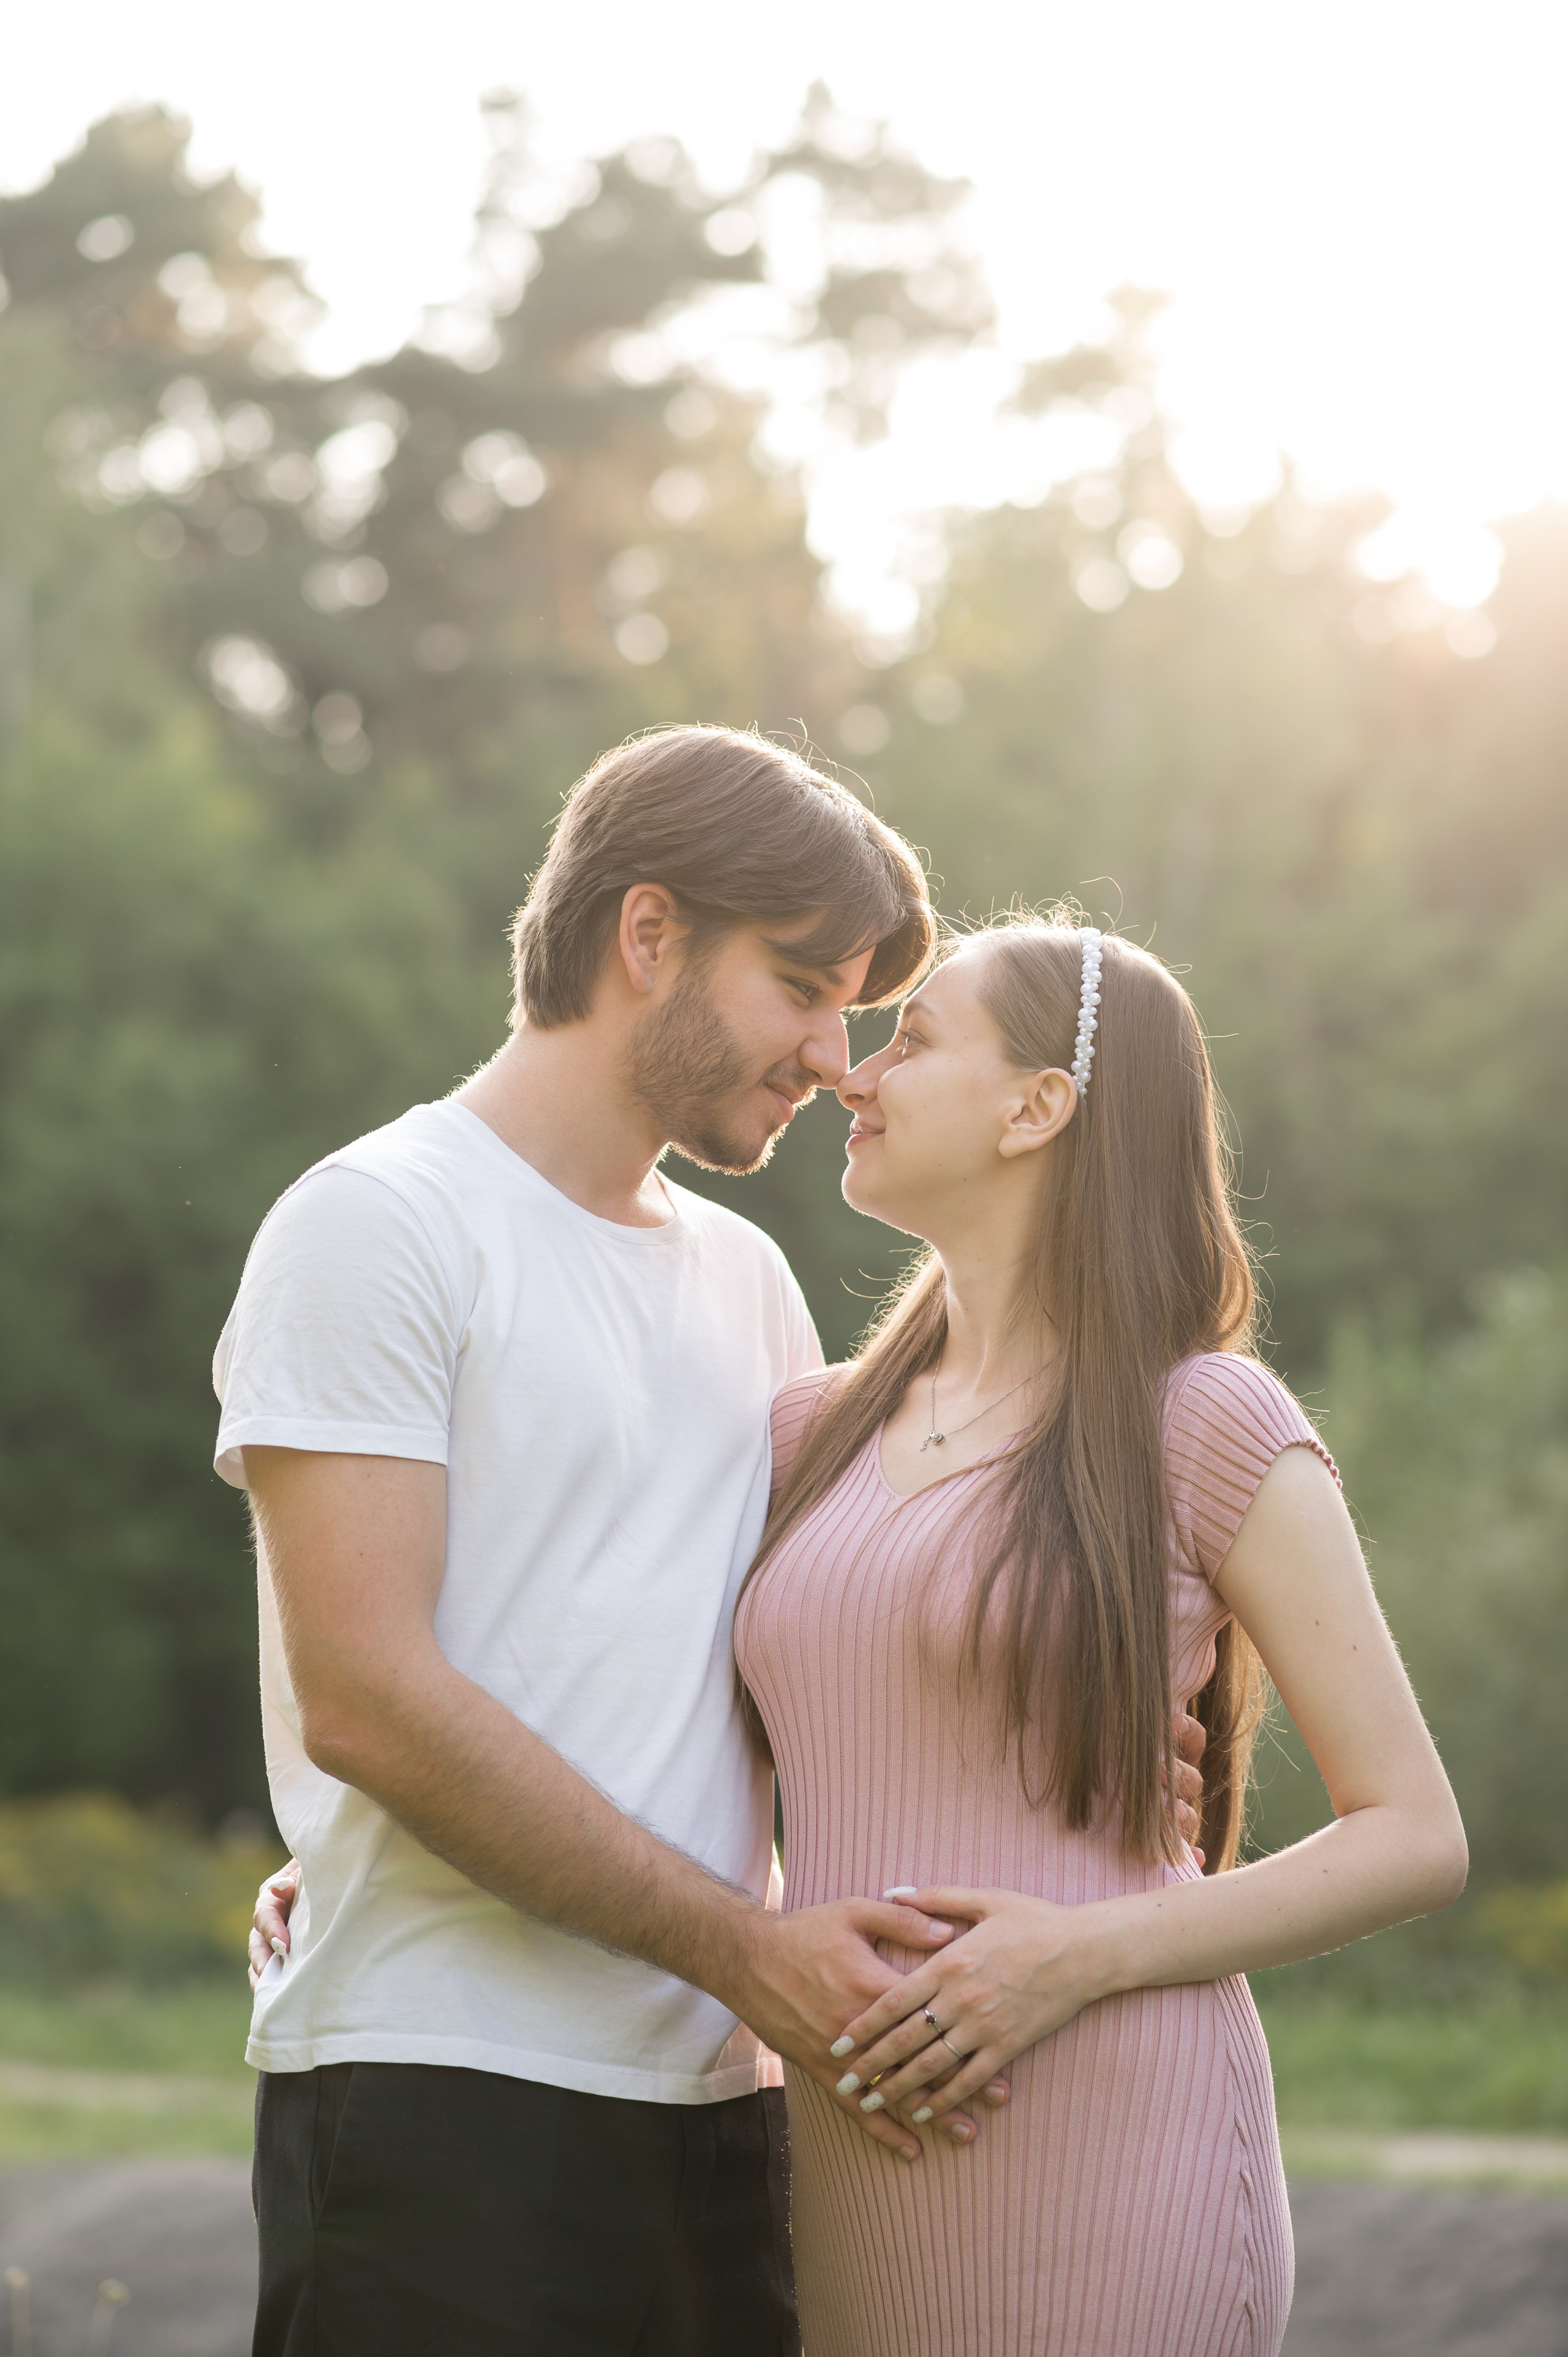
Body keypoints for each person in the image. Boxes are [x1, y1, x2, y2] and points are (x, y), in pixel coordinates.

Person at [224, 726, 1209, 2355]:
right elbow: (370, 1700)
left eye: (857, 1010)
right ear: (651, 933)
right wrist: (741, 1948)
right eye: (806, 986)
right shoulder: (377, 1223)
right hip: (448, 2097)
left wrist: (1058, 1742)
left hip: (736, 2108)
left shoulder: (751, 1282)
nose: (839, 1054)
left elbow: (780, 1654)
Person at [732, 915, 1469, 2357]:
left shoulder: (1202, 1421)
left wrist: (1068, 1956)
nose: (853, 1075)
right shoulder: (802, 1433)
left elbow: (1412, 1832)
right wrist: (378, 1837)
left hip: (1113, 2155)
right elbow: (627, 1706)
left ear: (1037, 1106)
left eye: (913, 1038)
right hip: (843, 2175)